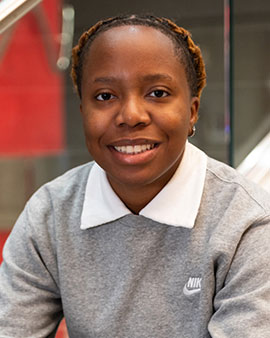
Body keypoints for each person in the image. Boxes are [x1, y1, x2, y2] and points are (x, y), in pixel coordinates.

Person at [0, 14, 270, 338]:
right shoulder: (49, 214)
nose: (131, 115)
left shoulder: (247, 222)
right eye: (104, 96)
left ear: (192, 111)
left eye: (157, 93)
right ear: (83, 111)